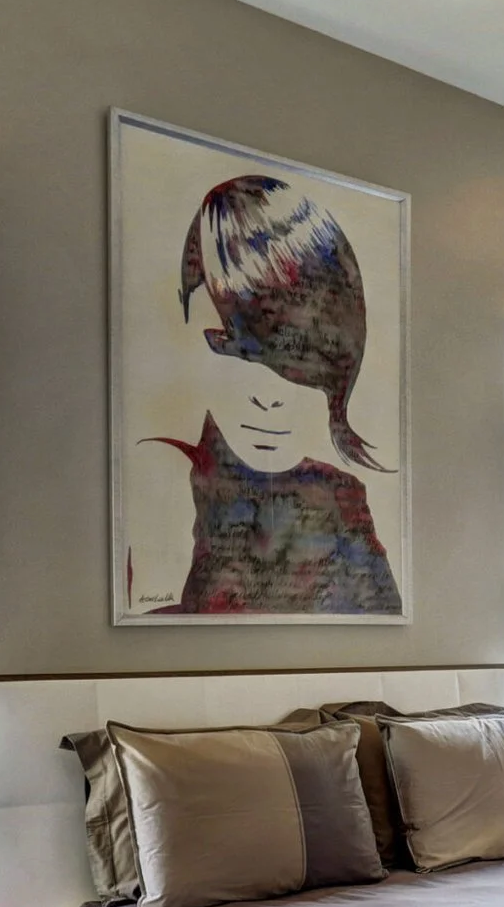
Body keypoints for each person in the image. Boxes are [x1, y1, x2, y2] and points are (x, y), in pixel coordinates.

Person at [142, 175, 401, 615]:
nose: (269, 397)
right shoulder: (161, 478)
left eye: (298, 359)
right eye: (232, 349)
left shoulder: (344, 499)